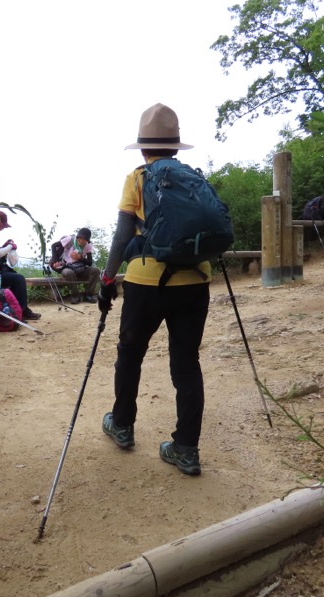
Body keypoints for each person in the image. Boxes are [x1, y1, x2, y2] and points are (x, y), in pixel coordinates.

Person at [97, 103, 210, 476]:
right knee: (186, 364)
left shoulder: (138, 178)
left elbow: (121, 236)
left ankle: (123, 426)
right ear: (176, 148)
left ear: (144, 148)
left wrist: (108, 277)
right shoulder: (195, 177)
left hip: (145, 281)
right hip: (194, 281)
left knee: (130, 354)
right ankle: (186, 449)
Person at [50, 227, 100, 304]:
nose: (82, 241)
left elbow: (89, 262)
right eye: (80, 238)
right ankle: (75, 296)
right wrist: (55, 260)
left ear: (87, 240)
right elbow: (54, 245)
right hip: (66, 266)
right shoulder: (70, 240)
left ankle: (88, 294)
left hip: (79, 267)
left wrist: (80, 257)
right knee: (68, 273)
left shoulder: (88, 246)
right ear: (77, 237)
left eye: (84, 239)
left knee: (95, 270)